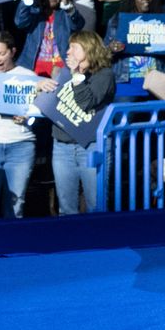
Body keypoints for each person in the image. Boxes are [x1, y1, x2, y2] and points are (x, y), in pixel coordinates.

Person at [37, 31, 115, 215]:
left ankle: (99, 243)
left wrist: (75, 76)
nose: (68, 52)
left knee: (96, 204)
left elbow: (86, 102)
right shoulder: (62, 72)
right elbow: (48, 105)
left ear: (89, 49)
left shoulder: (104, 75)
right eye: (69, 47)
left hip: (91, 146)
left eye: (74, 47)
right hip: (62, 146)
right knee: (66, 207)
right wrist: (40, 88)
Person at [0, 31, 40, 218]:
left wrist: (27, 117)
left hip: (21, 146)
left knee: (15, 204)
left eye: (1, 53)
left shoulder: (28, 76)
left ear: (12, 52)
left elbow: (38, 115)